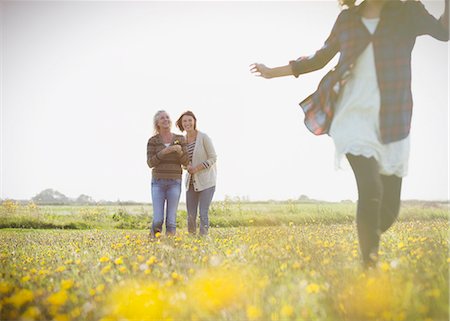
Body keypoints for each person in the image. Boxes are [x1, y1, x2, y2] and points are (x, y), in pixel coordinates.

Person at [250, 0, 448, 267]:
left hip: (393, 119)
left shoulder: (408, 13)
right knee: (370, 189)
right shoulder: (347, 20)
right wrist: (273, 72)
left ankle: (367, 246)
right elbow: (319, 59)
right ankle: (369, 269)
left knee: (389, 209)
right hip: (351, 117)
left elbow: (444, 32)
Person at [147, 110, 189, 237]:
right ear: (157, 123)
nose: (166, 120)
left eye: (167, 117)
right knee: (158, 218)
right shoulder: (153, 141)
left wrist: (180, 152)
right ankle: (154, 241)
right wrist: (165, 151)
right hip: (158, 183)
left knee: (171, 220)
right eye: (162, 118)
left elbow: (186, 161)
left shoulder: (180, 139)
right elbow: (150, 163)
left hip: (174, 182)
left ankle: (170, 246)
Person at [176, 111, 217, 236]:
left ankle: (203, 238)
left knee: (203, 212)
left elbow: (213, 158)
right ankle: (192, 239)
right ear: (181, 124)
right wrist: (186, 166)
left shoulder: (204, 137)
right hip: (191, 182)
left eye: (190, 120)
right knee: (191, 214)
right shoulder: (182, 140)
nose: (187, 123)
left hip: (207, 181)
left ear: (194, 121)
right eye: (184, 121)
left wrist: (197, 168)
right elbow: (183, 161)